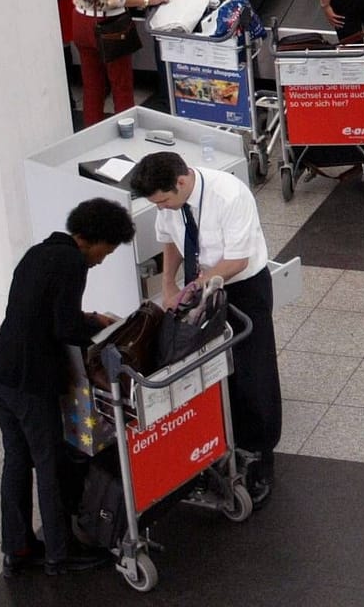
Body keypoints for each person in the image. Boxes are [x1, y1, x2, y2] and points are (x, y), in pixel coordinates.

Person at [0, 198, 134, 578]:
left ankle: (16, 548)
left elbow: (40, 309)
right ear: (90, 240)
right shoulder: (73, 263)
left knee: (16, 460)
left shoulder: (39, 253)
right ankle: (60, 555)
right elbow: (64, 328)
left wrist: (89, 317)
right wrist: (101, 328)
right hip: (31, 382)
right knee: (50, 463)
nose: (104, 259)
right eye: (107, 250)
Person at [128, 153, 281, 507]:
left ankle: (259, 452)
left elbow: (238, 260)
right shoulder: (169, 202)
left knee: (253, 369)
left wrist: (194, 287)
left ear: (180, 182)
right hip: (200, 285)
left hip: (242, 286)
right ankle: (219, 440)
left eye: (164, 201)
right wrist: (168, 285)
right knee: (209, 368)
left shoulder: (230, 195)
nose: (161, 207)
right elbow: (169, 240)